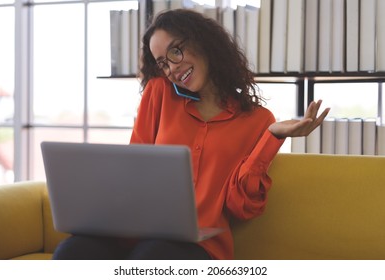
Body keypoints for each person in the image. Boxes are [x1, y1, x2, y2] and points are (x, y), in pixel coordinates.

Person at [53, 9, 329, 260]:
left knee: (152, 256)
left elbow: (242, 207)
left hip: (200, 248)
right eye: (162, 63)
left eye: (176, 52)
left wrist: (272, 138)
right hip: (138, 235)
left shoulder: (258, 120)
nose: (171, 68)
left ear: (203, 42)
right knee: (72, 251)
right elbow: (134, 169)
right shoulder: (159, 93)